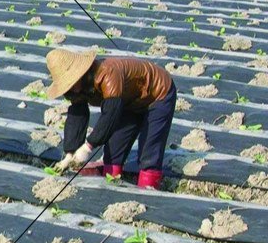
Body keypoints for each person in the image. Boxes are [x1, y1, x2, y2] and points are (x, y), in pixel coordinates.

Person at [45, 48, 177, 189]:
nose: (70, 87)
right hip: (129, 101)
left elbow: (110, 115)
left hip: (157, 94)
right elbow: (77, 116)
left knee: (149, 150)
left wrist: (88, 147)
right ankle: (110, 189)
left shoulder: (107, 73)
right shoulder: (76, 89)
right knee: (113, 154)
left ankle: (149, 192)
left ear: (80, 73)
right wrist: (70, 153)